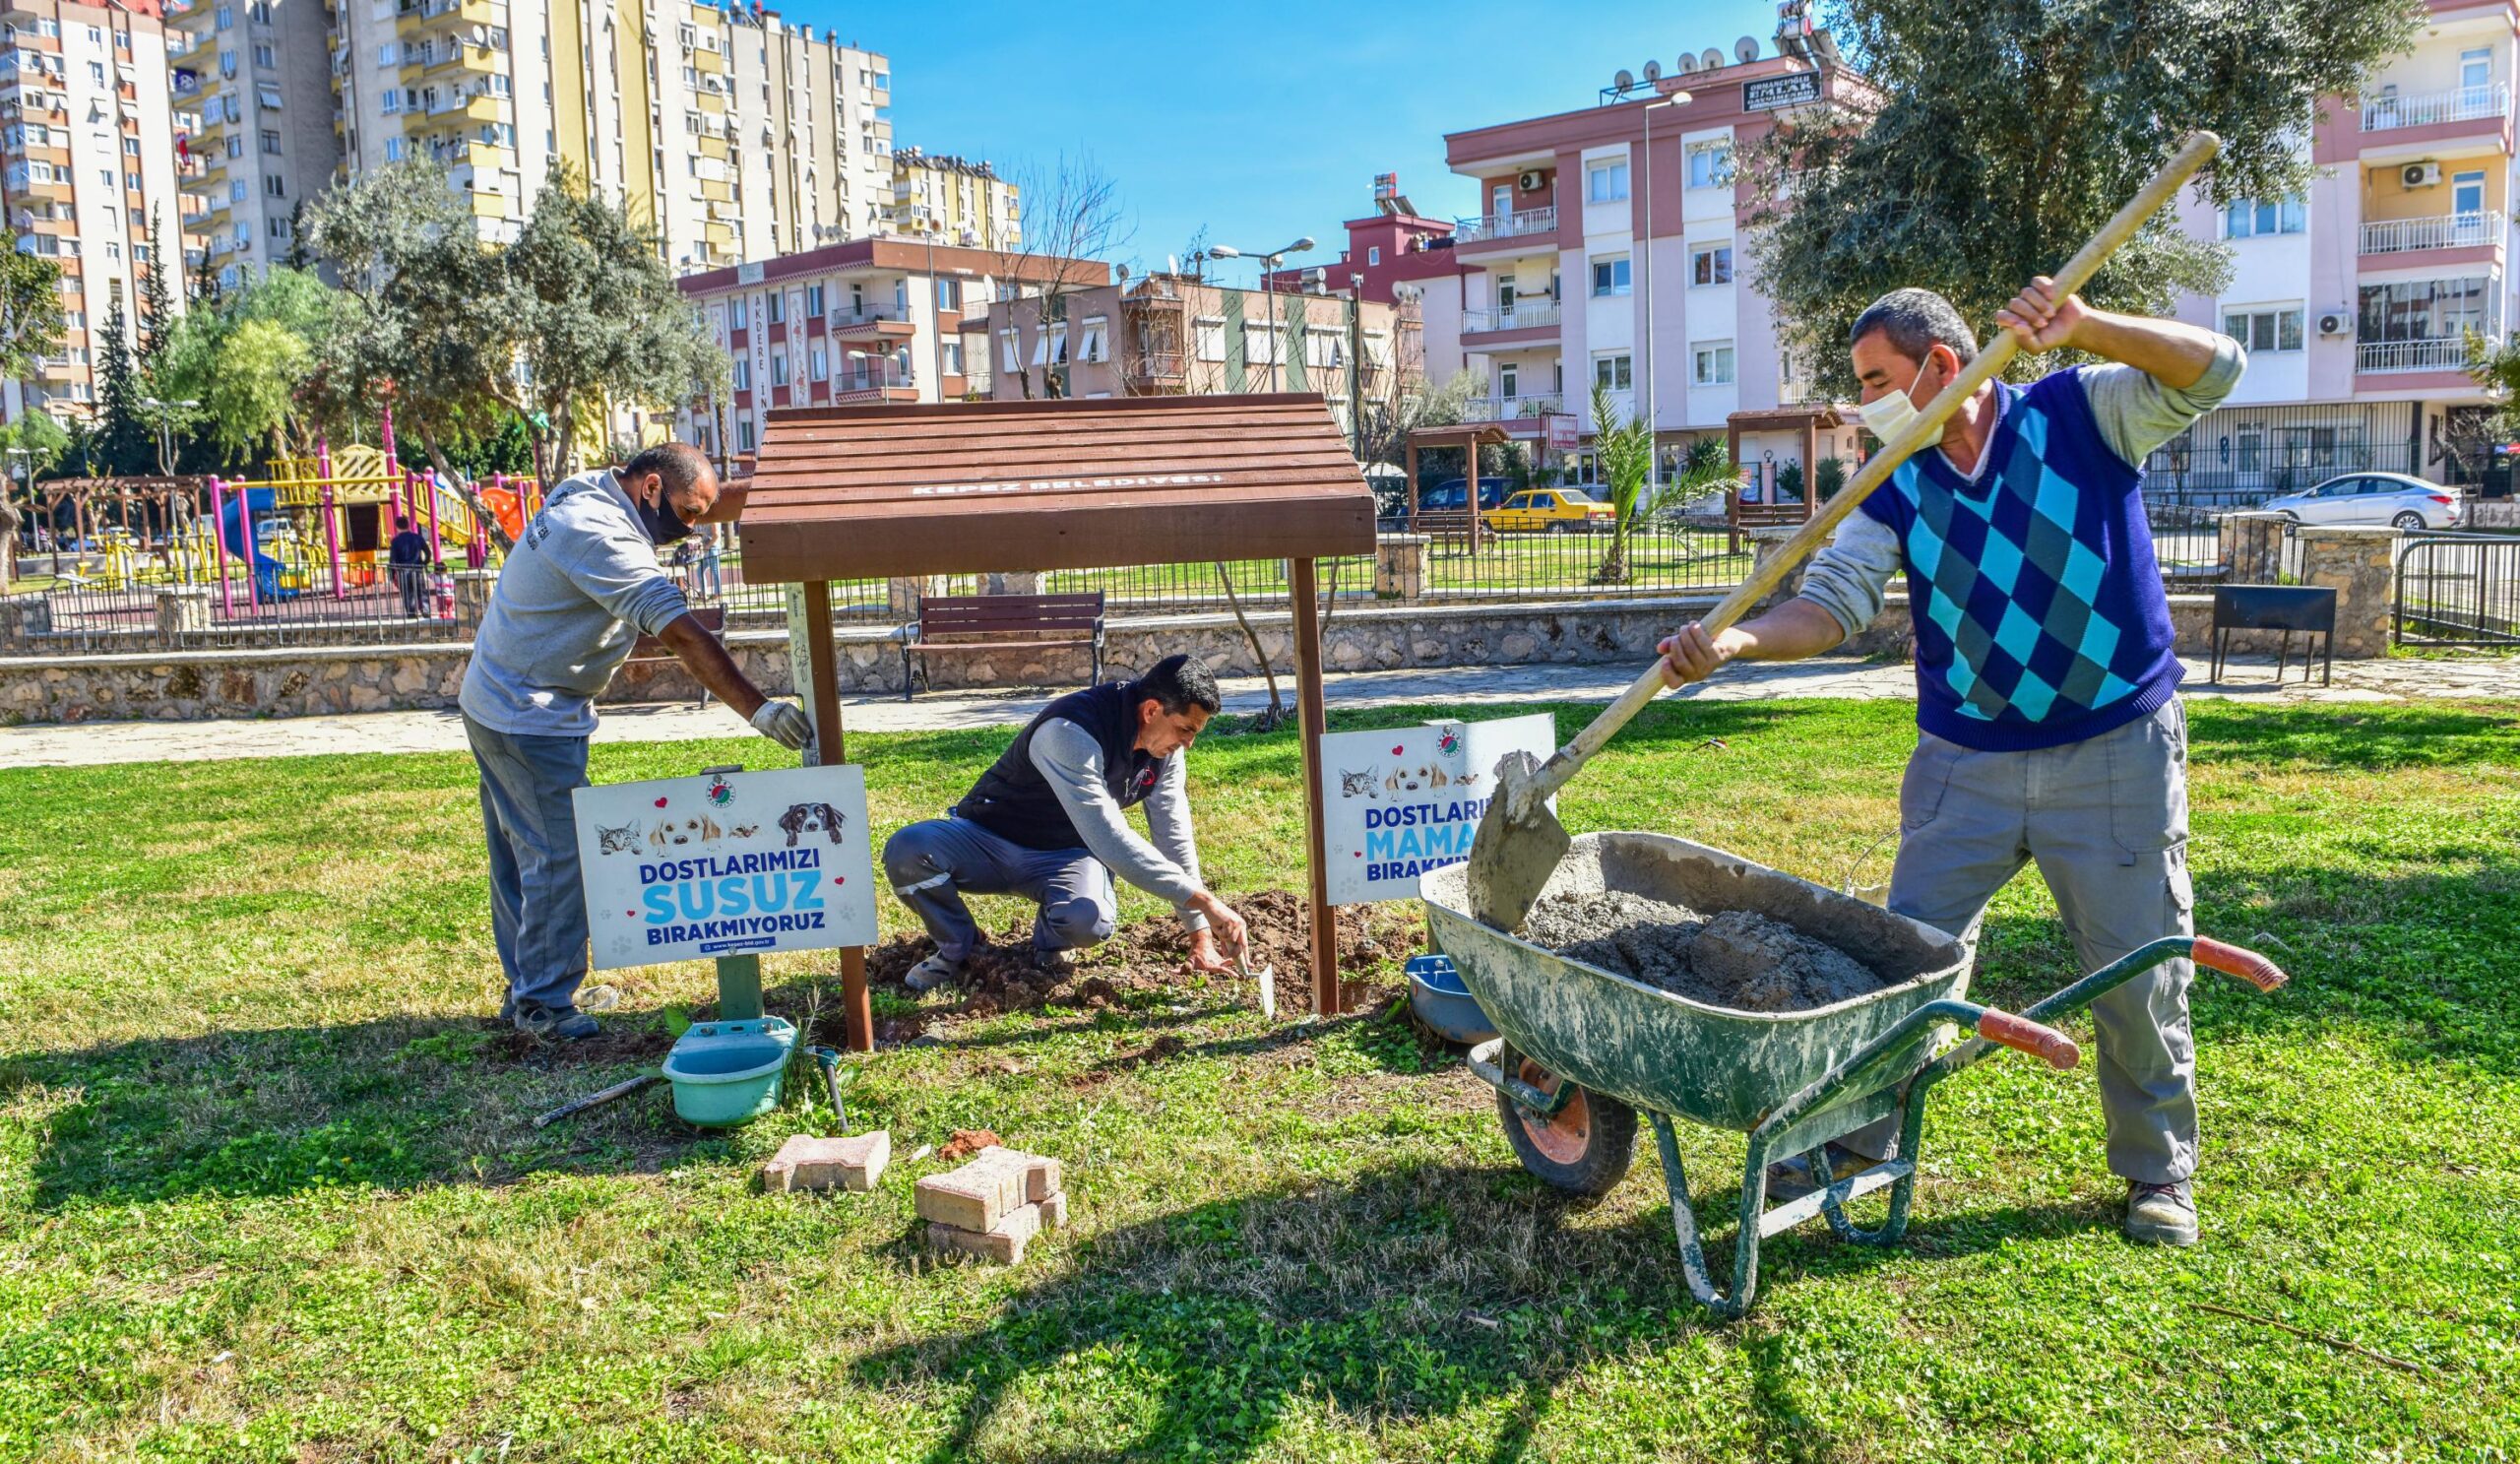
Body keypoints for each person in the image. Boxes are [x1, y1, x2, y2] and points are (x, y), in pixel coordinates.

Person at [1657, 280, 2244, 1248]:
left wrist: (2087, 323)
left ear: (1940, 363)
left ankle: (2157, 1170)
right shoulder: (1894, 470)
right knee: (1900, 968)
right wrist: (1738, 645)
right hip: (1963, 760)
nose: (1863, 404)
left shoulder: (2080, 411)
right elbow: (1834, 602)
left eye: (1876, 379)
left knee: (2137, 969)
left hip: (2111, 752)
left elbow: (2216, 369)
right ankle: (1849, 1139)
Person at [459, 441, 813, 1040]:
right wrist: (759, 710)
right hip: (529, 716)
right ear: (650, 488)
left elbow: (707, 498)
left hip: (494, 698)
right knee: (558, 854)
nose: (693, 527)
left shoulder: (590, 488)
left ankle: (527, 985)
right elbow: (683, 634)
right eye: (688, 514)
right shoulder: (603, 539)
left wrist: (783, 493)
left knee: (521, 853)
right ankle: (544, 1004)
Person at [882, 654, 1251, 990]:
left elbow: (1173, 836)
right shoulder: (1070, 731)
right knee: (909, 850)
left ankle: (1050, 949)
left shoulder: (1165, 753)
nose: (1188, 744)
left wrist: (1200, 936)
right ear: (1152, 710)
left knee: (1088, 920)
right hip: (988, 840)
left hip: (1067, 856)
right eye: (1186, 730)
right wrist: (1204, 900)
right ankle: (958, 947)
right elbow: (1108, 837)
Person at [387, 515, 430, 617]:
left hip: (403, 570)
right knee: (421, 590)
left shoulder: (395, 541)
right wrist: (424, 563)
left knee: (407, 593)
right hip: (417, 568)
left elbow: (392, 559)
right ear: (408, 525)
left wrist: (392, 574)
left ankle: (411, 612)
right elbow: (428, 552)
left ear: (397, 527)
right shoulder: (418, 538)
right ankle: (426, 610)